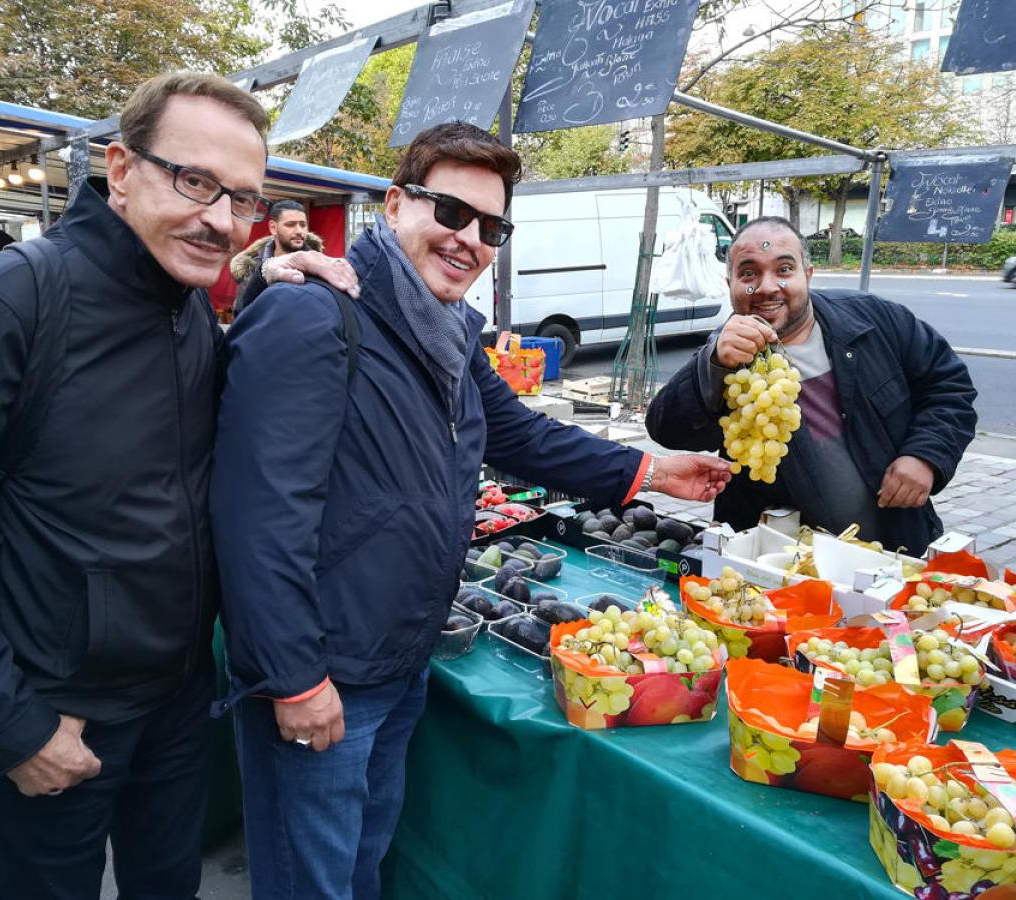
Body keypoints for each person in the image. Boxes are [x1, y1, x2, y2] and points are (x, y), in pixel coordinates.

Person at [210, 121, 732, 900]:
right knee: (307, 880)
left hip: (399, 653)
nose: (469, 240)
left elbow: (517, 433)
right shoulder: (314, 317)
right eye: (450, 213)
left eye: (491, 227)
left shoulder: (450, 331)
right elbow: (256, 517)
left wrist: (652, 470)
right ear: (394, 205)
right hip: (327, 668)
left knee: (362, 861)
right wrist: (293, 679)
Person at [0, 72, 353, 900]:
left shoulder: (188, 302)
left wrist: (272, 286)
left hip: (175, 702)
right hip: (56, 714)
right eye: (194, 181)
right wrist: (9, 727)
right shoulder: (12, 299)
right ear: (121, 170)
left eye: (242, 199)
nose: (221, 218)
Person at [646, 215, 977, 554]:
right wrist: (711, 364)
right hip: (782, 567)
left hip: (899, 550)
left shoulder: (875, 320)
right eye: (748, 273)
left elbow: (949, 387)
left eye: (784, 270)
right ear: (728, 282)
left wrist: (925, 456)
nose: (767, 287)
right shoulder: (726, 356)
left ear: (808, 274)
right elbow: (665, 428)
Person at [231, 199, 321, 316]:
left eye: (302, 225)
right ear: (273, 228)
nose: (299, 231)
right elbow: (241, 314)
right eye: (290, 225)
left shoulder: (319, 267)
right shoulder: (251, 268)